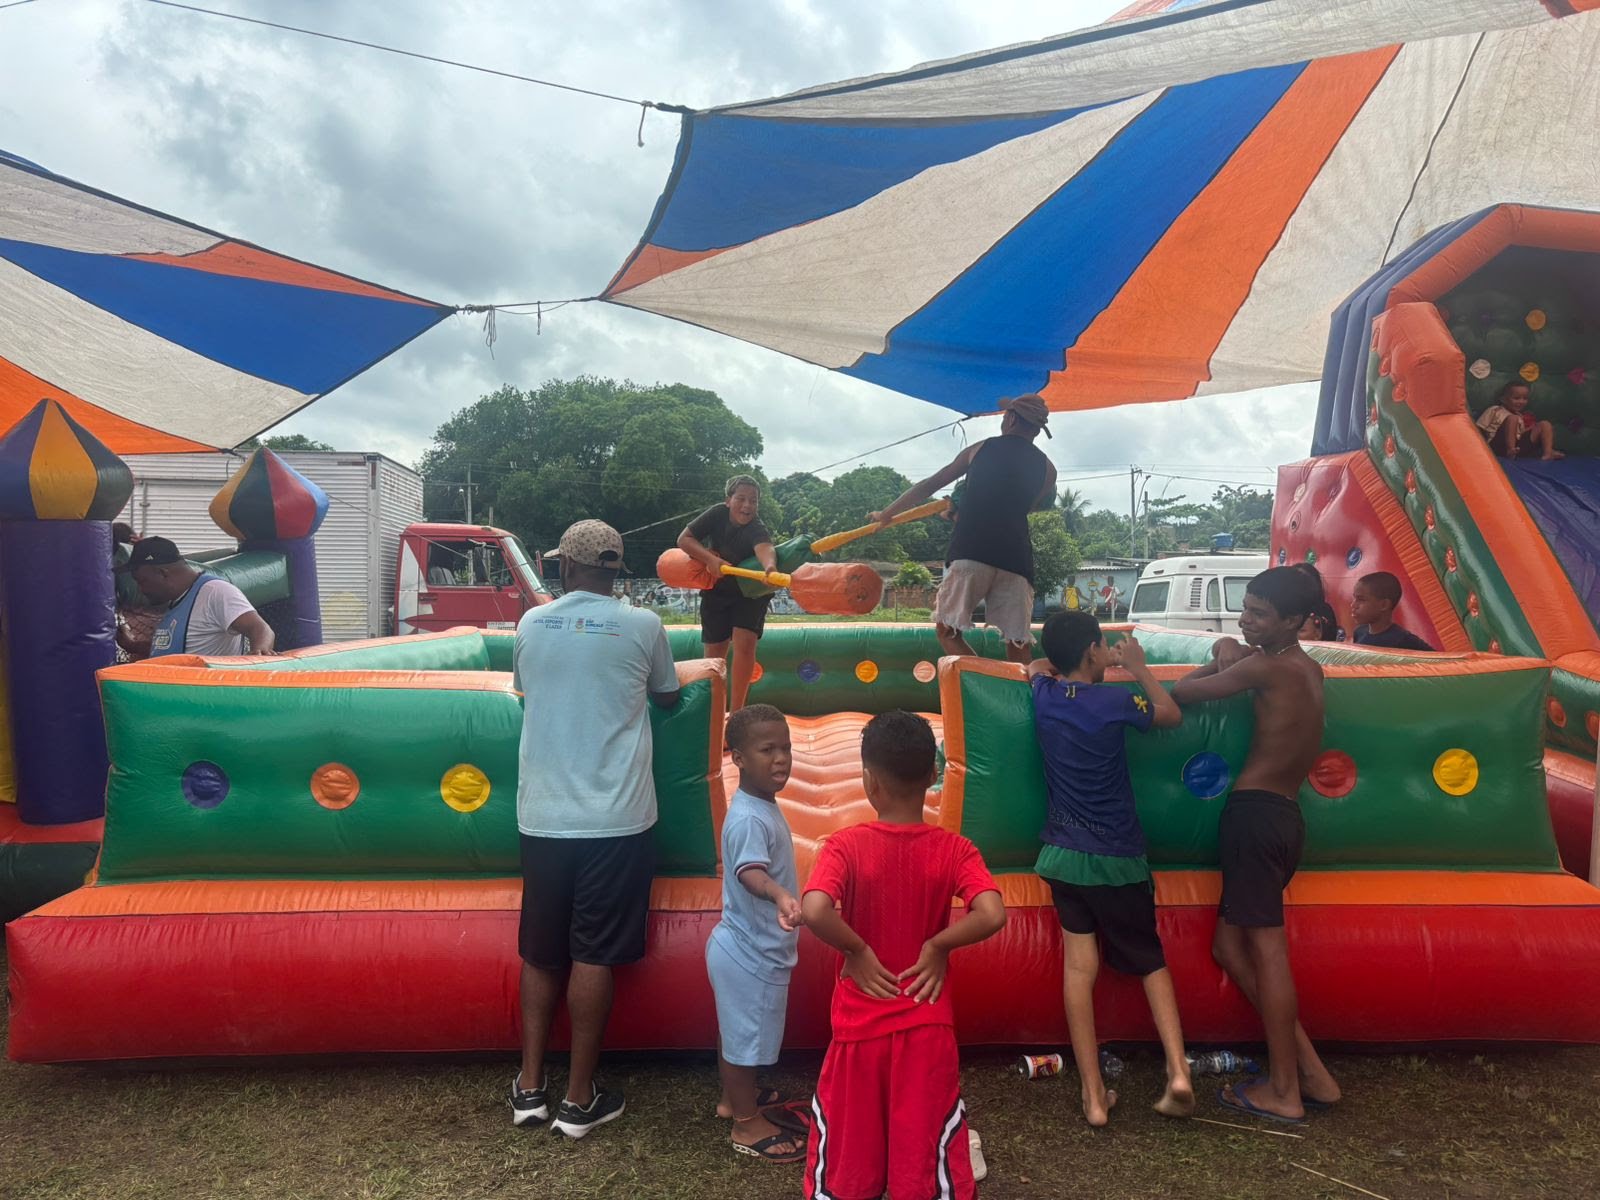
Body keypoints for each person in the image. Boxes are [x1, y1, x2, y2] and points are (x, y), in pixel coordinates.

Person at [508, 519, 681, 1139]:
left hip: (544, 815)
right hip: (617, 820)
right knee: (595, 953)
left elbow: (526, 692)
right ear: (616, 570)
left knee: (540, 950)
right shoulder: (644, 626)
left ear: (564, 568)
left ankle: (530, 1088)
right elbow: (667, 696)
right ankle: (580, 1100)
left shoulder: (531, 624)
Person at [801, 710, 1006, 1200]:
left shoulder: (844, 846)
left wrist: (856, 949)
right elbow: (993, 914)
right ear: (933, 777)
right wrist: (938, 945)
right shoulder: (955, 849)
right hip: (926, 1025)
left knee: (848, 1160)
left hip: (858, 1029)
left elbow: (814, 909)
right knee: (923, 1158)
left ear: (868, 780)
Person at [1170, 567, 1340, 1124]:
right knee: (1228, 946)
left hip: (1254, 817)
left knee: (1268, 951)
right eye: (1244, 608)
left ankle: (1285, 1089)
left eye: (1259, 614)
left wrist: (1223, 650)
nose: (1246, 619)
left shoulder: (1266, 668)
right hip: (1285, 819)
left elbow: (1181, 693)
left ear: (1294, 620)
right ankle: (1312, 1072)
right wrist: (1234, 649)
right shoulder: (1308, 669)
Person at [1028, 612, 1193, 1127]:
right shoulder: (1116, 699)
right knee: (1149, 959)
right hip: (1118, 858)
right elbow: (1169, 714)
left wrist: (1063, 663)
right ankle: (1178, 1071)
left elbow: (1034, 664)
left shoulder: (1046, 696)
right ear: (1093, 652)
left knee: (1080, 970)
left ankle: (1094, 1095)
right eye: (1102, 645)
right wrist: (1137, 667)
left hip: (1063, 858)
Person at [868, 395, 1057, 663]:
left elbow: (930, 485)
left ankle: (987, 682)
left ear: (1012, 418)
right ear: (1038, 430)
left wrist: (887, 514)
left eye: (1005, 415)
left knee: (948, 632)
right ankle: (1019, 699)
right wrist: (961, 513)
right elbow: (1013, 510)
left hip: (972, 551)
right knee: (1018, 645)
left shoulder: (980, 449)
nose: (1003, 419)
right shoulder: (1049, 470)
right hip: (1017, 561)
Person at [706, 704, 809, 1162]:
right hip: (750, 953)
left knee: (741, 1035)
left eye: (785, 748)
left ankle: (736, 1099)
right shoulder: (749, 816)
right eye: (767, 750)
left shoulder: (759, 805)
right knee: (743, 1040)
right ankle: (746, 1125)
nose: (781, 758)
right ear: (738, 758)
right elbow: (749, 871)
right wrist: (780, 895)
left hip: (749, 948)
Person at [678, 475, 779, 713]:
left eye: (753, 501)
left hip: (750, 592)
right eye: (741, 499)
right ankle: (713, 712)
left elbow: (765, 549)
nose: (747, 506)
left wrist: (770, 569)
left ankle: (737, 713)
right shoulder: (716, 515)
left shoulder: (757, 527)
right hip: (718, 588)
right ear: (728, 500)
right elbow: (684, 539)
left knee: (745, 644)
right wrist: (710, 559)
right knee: (714, 653)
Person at [124, 537, 276, 657]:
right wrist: (132, 645)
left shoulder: (215, 592)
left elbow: (260, 628)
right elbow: (175, 648)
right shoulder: (177, 600)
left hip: (206, 694)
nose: (140, 589)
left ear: (163, 573)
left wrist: (259, 655)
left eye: (142, 581)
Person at [1476, 381, 1563, 461]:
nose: (1521, 402)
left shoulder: (1519, 416)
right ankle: (1510, 450)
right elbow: (1479, 428)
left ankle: (1548, 452)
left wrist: (1532, 429)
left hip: (1518, 449)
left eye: (1524, 398)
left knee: (1545, 424)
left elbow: (1519, 435)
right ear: (1503, 399)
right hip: (1498, 446)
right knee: (1512, 418)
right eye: (1516, 398)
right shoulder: (1495, 410)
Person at [1350, 572, 1433, 651]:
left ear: (1384, 605)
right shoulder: (1359, 632)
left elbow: (1437, 661)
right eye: (1354, 598)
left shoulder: (1403, 640)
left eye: (1361, 599)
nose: (1353, 605)